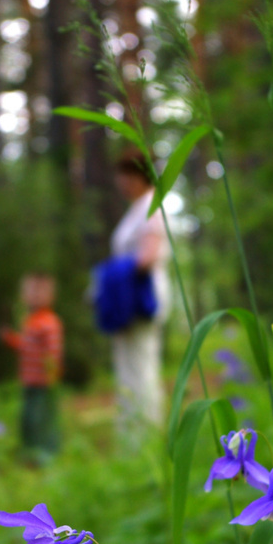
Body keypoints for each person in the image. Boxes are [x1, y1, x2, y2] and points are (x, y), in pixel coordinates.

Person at [109, 151, 171, 430]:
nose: (121, 182)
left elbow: (148, 257)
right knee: (130, 366)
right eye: (120, 175)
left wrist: (109, 278)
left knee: (140, 366)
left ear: (142, 176)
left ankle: (144, 435)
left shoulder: (151, 206)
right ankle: (132, 436)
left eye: (128, 175)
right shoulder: (138, 208)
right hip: (127, 297)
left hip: (140, 298)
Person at [0, 273, 63, 461]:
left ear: (51, 296)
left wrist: (52, 376)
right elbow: (25, 347)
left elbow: (54, 352)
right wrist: (9, 338)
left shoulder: (50, 322)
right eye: (30, 291)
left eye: (40, 292)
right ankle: (29, 450)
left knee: (42, 418)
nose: (34, 296)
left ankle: (46, 454)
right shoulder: (29, 321)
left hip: (44, 382)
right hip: (28, 379)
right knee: (27, 418)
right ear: (23, 295)